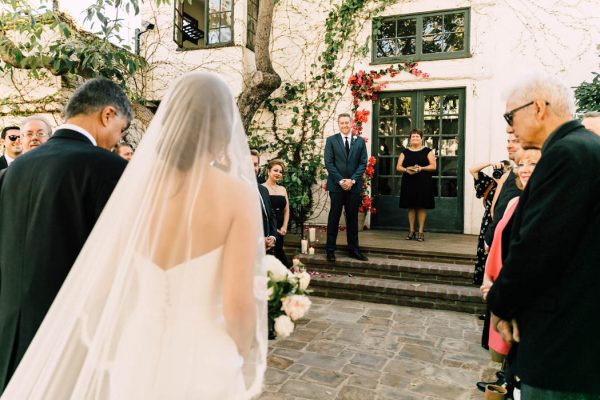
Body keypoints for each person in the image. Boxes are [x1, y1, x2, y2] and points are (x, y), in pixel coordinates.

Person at [1, 72, 267, 399]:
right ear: (224, 127)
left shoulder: (136, 188)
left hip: (135, 352)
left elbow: (100, 285)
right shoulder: (237, 196)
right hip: (202, 356)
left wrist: (113, 344)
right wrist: (238, 350)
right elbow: (238, 307)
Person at [0, 78, 131, 393]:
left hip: (11, 326)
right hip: (69, 336)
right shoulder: (107, 168)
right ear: (108, 114)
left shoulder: (16, 168)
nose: (117, 140)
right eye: (122, 130)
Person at [487, 73, 600, 399]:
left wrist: (501, 304)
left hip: (562, 347)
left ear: (537, 108)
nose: (509, 127)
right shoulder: (586, 148)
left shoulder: (566, 155)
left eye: (510, 116)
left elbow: (538, 249)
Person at [477, 149, 541, 396]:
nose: (524, 168)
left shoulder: (543, 205)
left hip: (520, 292)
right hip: (501, 285)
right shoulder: (517, 201)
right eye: (521, 164)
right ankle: (507, 379)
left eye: (533, 163)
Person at [324, 113, 369, 262]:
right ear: (338, 124)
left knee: (352, 219)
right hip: (336, 187)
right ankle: (330, 250)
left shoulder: (360, 141)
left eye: (346, 123)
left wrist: (353, 181)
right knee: (334, 218)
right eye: (341, 123)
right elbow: (329, 163)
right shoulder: (331, 141)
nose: (344, 125)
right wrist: (341, 180)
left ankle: (353, 250)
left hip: (354, 187)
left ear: (351, 124)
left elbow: (363, 163)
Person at [469, 159, 510, 286]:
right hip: (489, 219)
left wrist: (503, 183)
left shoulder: (513, 184)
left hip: (506, 218)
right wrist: (490, 163)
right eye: (500, 170)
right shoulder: (490, 183)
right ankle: (482, 278)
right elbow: (472, 170)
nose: (502, 173)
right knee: (485, 247)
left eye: (506, 170)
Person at [396, 128, 436, 242]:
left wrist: (421, 168)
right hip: (409, 181)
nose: (415, 138)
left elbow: (433, 166)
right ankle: (411, 231)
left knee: (422, 206)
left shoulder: (427, 151)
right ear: (410, 139)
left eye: (417, 136)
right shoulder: (405, 152)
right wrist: (406, 169)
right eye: (413, 136)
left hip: (423, 181)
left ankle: (421, 232)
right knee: (411, 206)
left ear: (421, 138)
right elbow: (398, 167)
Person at [484, 133, 523, 248]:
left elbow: (507, 204)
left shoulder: (521, 170)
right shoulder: (514, 170)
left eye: (515, 141)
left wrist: (489, 237)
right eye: (508, 141)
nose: (509, 146)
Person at [262, 159, 291, 267]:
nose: (278, 173)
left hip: (281, 228)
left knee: (278, 251)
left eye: (280, 172)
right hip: (268, 227)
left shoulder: (283, 189)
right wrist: (272, 230)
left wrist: (284, 226)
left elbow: (287, 210)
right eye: (275, 170)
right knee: (272, 255)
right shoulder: (262, 188)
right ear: (268, 171)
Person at [252, 150, 277, 252]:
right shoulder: (235, 189)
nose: (253, 168)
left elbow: (271, 215)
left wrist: (272, 236)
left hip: (266, 249)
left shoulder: (263, 190)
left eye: (255, 164)